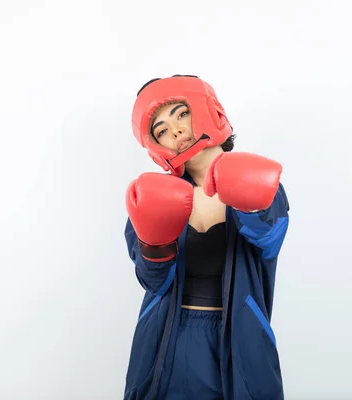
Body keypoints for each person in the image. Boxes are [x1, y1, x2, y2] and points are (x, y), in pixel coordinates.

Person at [123, 75, 290, 400]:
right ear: (157, 147)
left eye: (181, 113)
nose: (175, 131)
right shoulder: (152, 198)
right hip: (166, 340)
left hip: (237, 337)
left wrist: (246, 194)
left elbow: (270, 240)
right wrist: (154, 244)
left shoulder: (260, 186)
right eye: (160, 130)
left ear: (206, 111)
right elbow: (151, 280)